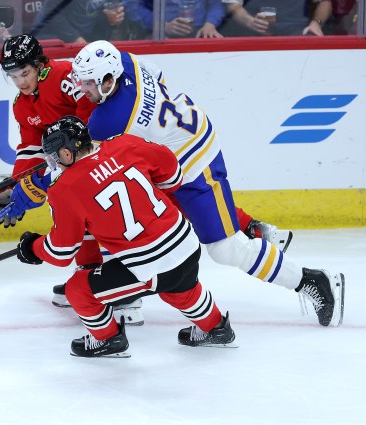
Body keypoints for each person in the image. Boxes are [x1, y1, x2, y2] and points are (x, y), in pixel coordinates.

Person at [65, 40, 344, 327]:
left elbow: (90, 166)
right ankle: (258, 231)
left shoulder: (108, 120)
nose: (82, 89)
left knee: (225, 248)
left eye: (88, 83)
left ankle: (314, 281)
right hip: (171, 154)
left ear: (109, 81)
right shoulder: (124, 61)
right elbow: (158, 76)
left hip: (194, 161)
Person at [15, 115, 237, 357]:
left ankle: (107, 340)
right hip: (186, 243)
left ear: (67, 153)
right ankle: (216, 327)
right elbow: (172, 173)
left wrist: (32, 248)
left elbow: (61, 252)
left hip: (153, 266)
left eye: (54, 157)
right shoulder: (124, 143)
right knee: (179, 286)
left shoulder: (65, 189)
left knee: (78, 290)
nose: (54, 164)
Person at [0, 34, 145, 325]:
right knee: (69, 212)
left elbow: (92, 115)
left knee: (106, 215)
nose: (21, 82)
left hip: (100, 156)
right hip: (71, 163)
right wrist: (15, 186)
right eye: (13, 76)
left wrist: (73, 156)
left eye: (25, 73)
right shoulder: (21, 105)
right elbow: (30, 148)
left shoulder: (64, 76)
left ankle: (127, 291)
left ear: (39, 65)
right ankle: (90, 276)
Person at [30, 0, 126, 43]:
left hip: (85, 41)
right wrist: (75, 38)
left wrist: (110, 20)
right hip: (51, 42)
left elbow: (93, 11)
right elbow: (50, 12)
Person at [221, 0, 332, 36]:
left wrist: (316, 23)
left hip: (297, 32)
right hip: (253, 32)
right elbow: (233, 5)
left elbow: (324, 2)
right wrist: (249, 21)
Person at [123, 0, 225, 39]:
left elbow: (216, 4)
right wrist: (162, 26)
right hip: (158, 37)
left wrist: (210, 24)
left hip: (200, 34)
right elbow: (132, 6)